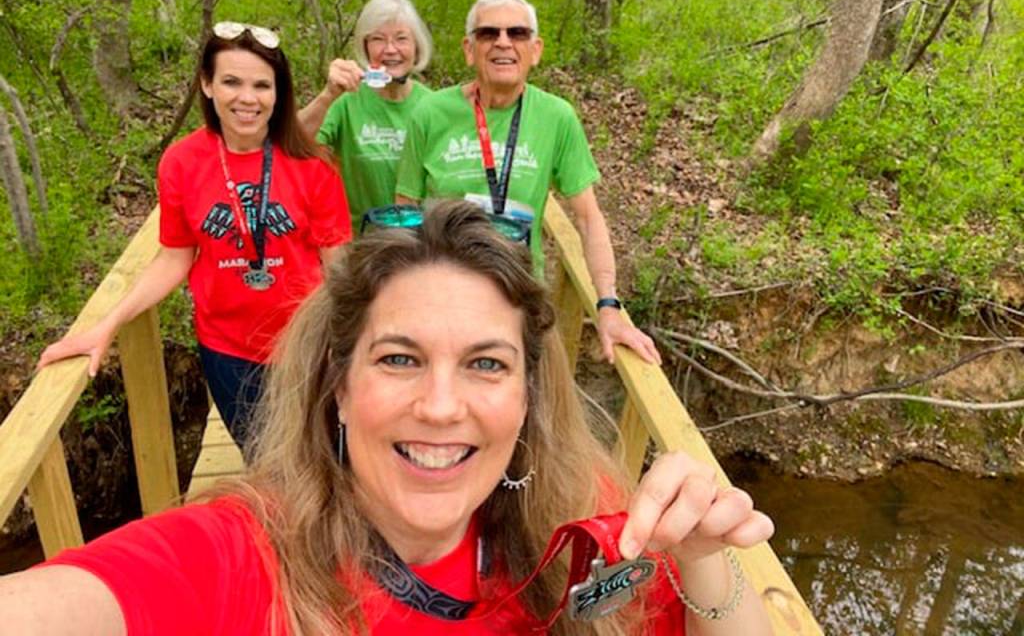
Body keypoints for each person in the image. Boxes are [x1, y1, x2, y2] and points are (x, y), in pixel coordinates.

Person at [3, 201, 775, 636]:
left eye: (486, 363)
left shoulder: (585, 517)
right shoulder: (243, 559)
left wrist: (707, 555)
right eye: (400, 359)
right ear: (337, 387)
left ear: (528, 397)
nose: (441, 407)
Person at [37, 22, 353, 447]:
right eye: (231, 82)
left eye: (262, 85)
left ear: (278, 94)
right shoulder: (181, 163)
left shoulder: (311, 166)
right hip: (229, 351)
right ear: (207, 85)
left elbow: (339, 269)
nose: (247, 98)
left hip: (307, 347)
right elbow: (174, 256)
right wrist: (109, 324)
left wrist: (349, 347)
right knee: (263, 468)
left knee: (327, 462)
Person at [394, 0, 660, 366]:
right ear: (469, 49)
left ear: (535, 50)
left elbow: (587, 218)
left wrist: (608, 305)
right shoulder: (429, 113)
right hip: (441, 296)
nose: (503, 42)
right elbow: (404, 212)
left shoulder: (556, 117)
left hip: (516, 299)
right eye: (489, 33)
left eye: (517, 33)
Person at [298, 0, 433, 232]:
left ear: (416, 46)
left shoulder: (432, 105)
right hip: (359, 249)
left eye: (401, 39)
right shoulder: (347, 101)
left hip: (419, 251)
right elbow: (290, 141)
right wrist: (327, 95)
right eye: (378, 39)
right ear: (366, 47)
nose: (390, 49)